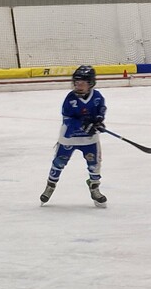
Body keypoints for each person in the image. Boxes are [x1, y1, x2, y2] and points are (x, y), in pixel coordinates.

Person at [40, 65, 107, 208]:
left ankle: (94, 188)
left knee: (94, 164)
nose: (78, 85)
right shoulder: (70, 99)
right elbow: (68, 119)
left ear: (90, 83)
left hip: (89, 139)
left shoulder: (97, 97)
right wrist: (83, 124)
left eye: (83, 82)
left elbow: (101, 109)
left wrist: (99, 120)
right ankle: (50, 186)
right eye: (76, 82)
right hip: (69, 137)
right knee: (59, 162)